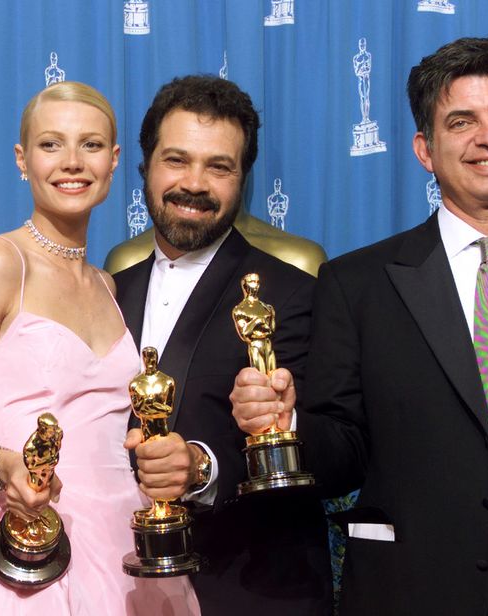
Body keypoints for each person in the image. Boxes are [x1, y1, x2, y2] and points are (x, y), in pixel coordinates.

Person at [232, 36, 488, 615]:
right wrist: (289, 425)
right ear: (425, 150)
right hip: (418, 585)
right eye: (462, 121)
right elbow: (340, 456)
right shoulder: (358, 285)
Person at [0, 81, 199, 614]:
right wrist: (1, 465)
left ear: (115, 160)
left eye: (91, 145)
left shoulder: (108, 286)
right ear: (22, 159)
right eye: (52, 144)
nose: (72, 162)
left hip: (131, 540)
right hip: (37, 540)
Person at [114, 76, 332, 615]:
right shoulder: (107, 291)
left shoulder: (294, 293)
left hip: (246, 590)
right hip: (115, 583)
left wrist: (202, 468)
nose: (194, 183)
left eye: (219, 166)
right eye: (176, 160)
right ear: (145, 166)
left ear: (243, 179)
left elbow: (333, 449)